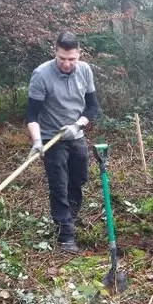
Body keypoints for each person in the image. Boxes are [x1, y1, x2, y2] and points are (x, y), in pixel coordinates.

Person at [26, 32, 101, 254]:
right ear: (55, 52)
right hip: (52, 137)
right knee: (59, 184)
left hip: (75, 134)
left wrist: (77, 126)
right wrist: (37, 140)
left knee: (78, 178)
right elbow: (32, 114)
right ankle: (65, 236)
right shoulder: (41, 75)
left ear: (79, 54)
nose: (67, 63)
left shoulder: (85, 70)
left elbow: (92, 107)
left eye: (72, 59)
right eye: (62, 58)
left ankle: (72, 216)